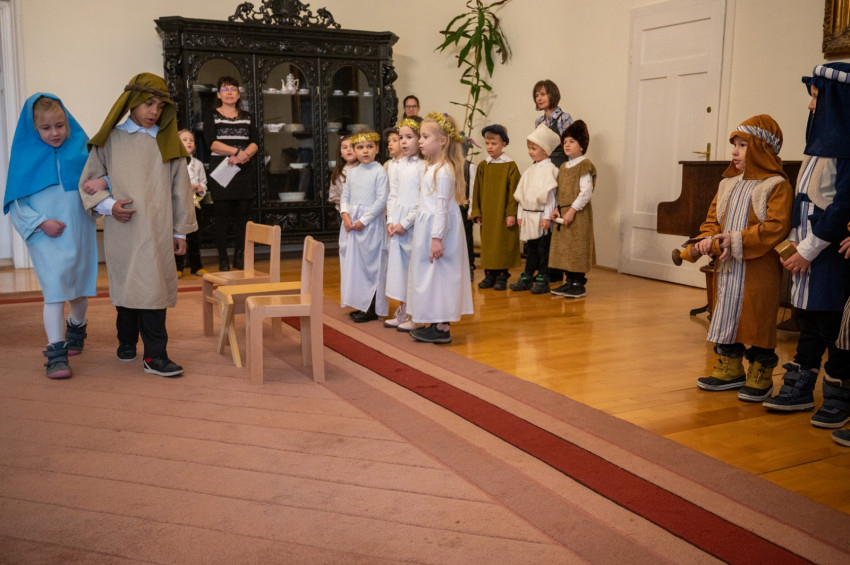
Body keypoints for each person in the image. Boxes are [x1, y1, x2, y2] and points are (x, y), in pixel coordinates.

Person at [79, 72, 197, 378]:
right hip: (124, 229)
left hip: (157, 231)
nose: (154, 111)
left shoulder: (168, 143)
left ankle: (155, 355)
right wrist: (109, 206)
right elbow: (88, 182)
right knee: (128, 289)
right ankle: (126, 340)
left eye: (160, 105)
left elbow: (181, 190)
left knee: (153, 290)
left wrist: (180, 231)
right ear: (132, 102)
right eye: (148, 103)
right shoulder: (111, 140)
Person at [679, 115, 793, 401]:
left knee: (757, 317)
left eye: (743, 145)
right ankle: (729, 366)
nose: (735, 151)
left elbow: (776, 226)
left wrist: (737, 239)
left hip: (759, 268)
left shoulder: (776, 185)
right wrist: (707, 238)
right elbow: (712, 219)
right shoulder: (728, 184)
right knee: (726, 314)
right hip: (728, 267)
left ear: (762, 149)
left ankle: (761, 372)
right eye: (735, 145)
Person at [763, 64, 850, 432]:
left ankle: (838, 390)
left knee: (831, 322)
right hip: (806, 246)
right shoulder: (820, 144)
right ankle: (802, 380)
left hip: (828, 250)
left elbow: (841, 205)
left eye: (817, 98)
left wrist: (809, 249)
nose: (811, 106)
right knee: (809, 317)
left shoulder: (845, 147)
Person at [3, 94, 97, 379]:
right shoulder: (24, 158)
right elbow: (17, 202)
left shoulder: (81, 150)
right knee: (55, 291)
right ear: (34, 129)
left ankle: (76, 325)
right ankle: (56, 353)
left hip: (79, 230)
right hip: (45, 236)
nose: (54, 133)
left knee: (79, 288)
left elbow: (99, 180)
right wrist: (42, 223)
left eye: (60, 126)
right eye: (46, 128)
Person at [406, 113, 474, 344]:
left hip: (440, 232)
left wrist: (436, 238)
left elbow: (442, 208)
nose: (420, 141)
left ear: (443, 140)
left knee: (441, 276)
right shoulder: (431, 166)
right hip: (428, 228)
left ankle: (442, 327)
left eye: (425, 136)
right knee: (430, 277)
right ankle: (434, 321)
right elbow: (423, 202)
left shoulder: (444, 170)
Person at [203, 76, 259, 272]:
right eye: (225, 89)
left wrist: (244, 155)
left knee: (242, 217)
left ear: (238, 94)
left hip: (243, 170)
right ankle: (223, 258)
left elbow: (255, 142)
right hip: (222, 170)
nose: (229, 93)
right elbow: (212, 143)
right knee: (222, 216)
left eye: (233, 89)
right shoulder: (211, 115)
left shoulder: (248, 116)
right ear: (219, 95)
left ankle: (239, 256)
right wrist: (236, 152)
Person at [339, 129, 389, 323]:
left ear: (377, 149)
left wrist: (364, 220)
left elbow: (381, 200)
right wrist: (345, 215)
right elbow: (345, 196)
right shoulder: (352, 173)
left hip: (370, 225)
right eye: (360, 147)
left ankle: (372, 306)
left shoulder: (379, 171)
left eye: (369, 146)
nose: (365, 151)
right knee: (356, 266)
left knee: (371, 266)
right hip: (352, 225)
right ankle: (361, 303)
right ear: (354, 150)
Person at [385, 116, 426, 331]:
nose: (403, 142)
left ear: (420, 139)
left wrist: (405, 222)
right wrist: (391, 220)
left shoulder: (423, 166)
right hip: (397, 222)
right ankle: (403, 309)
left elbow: (421, 199)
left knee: (413, 269)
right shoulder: (396, 166)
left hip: (413, 223)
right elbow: (393, 194)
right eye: (401, 137)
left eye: (409, 137)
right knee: (399, 270)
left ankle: (416, 312)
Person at [511, 124, 561, 294]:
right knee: (530, 249)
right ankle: (527, 275)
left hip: (540, 218)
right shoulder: (530, 170)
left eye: (534, 148)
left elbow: (551, 197)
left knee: (543, 250)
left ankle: (543, 277)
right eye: (529, 148)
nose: (530, 152)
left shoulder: (551, 170)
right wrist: (520, 214)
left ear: (545, 150)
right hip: (528, 215)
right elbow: (522, 195)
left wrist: (546, 217)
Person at [470, 124, 521, 290]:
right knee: (489, 245)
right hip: (488, 214)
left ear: (503, 144)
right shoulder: (483, 166)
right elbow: (476, 190)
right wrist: (477, 211)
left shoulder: (510, 166)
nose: (490, 147)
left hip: (503, 214)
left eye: (494, 143)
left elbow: (515, 192)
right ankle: (489, 275)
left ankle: (502, 276)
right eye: (487, 143)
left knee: (502, 245)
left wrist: (511, 213)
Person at [549, 120, 595, 298]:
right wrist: (556, 207)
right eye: (565, 142)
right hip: (563, 211)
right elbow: (559, 190)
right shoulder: (563, 167)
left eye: (572, 141)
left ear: (582, 145)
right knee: (565, 248)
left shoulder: (584, 165)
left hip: (577, 214)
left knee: (576, 247)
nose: (567, 145)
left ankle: (578, 283)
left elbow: (586, 192)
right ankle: (569, 281)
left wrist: (572, 210)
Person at [176, 129, 208, 278]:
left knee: (195, 235)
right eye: (184, 140)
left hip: (195, 203)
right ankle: (178, 267)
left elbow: (203, 182)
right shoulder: (174, 162)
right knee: (179, 234)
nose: (189, 142)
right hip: (179, 204)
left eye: (191, 140)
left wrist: (201, 188)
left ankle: (197, 266)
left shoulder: (198, 164)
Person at [533, 79, 573, 168]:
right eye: (536, 95)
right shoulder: (539, 121)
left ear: (552, 95)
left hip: (559, 165)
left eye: (543, 94)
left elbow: (571, 146)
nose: (539, 98)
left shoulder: (564, 118)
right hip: (541, 165)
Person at [328, 134, 357, 211]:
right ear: (341, 153)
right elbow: (332, 195)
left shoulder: (364, 169)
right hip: (343, 211)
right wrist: (343, 201)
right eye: (345, 147)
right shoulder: (338, 173)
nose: (349, 149)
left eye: (352, 146)